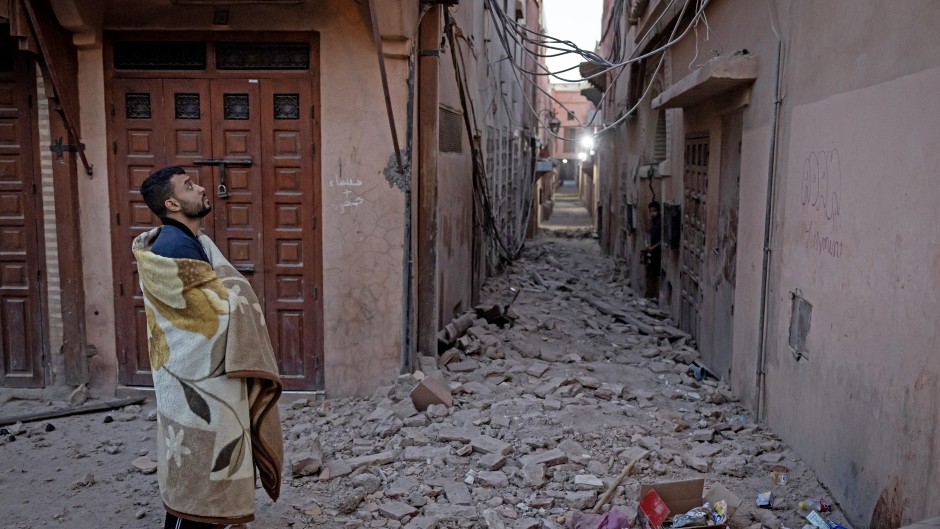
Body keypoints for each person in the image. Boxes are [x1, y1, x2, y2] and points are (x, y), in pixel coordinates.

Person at [134, 166, 284, 529]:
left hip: (202, 381)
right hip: (196, 377)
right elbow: (203, 316)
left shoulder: (189, 240)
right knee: (199, 483)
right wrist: (236, 295)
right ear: (172, 203)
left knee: (196, 478)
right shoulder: (174, 246)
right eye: (189, 186)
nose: (201, 188)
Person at [642, 201, 662, 299]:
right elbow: (647, 233)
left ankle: (654, 294)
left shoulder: (660, 222)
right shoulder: (652, 221)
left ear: (658, 211)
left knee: (655, 273)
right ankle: (648, 293)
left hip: (656, 253)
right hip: (649, 252)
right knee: (648, 271)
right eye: (651, 211)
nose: (652, 213)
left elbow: (662, 239)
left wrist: (653, 247)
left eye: (654, 211)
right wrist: (646, 244)